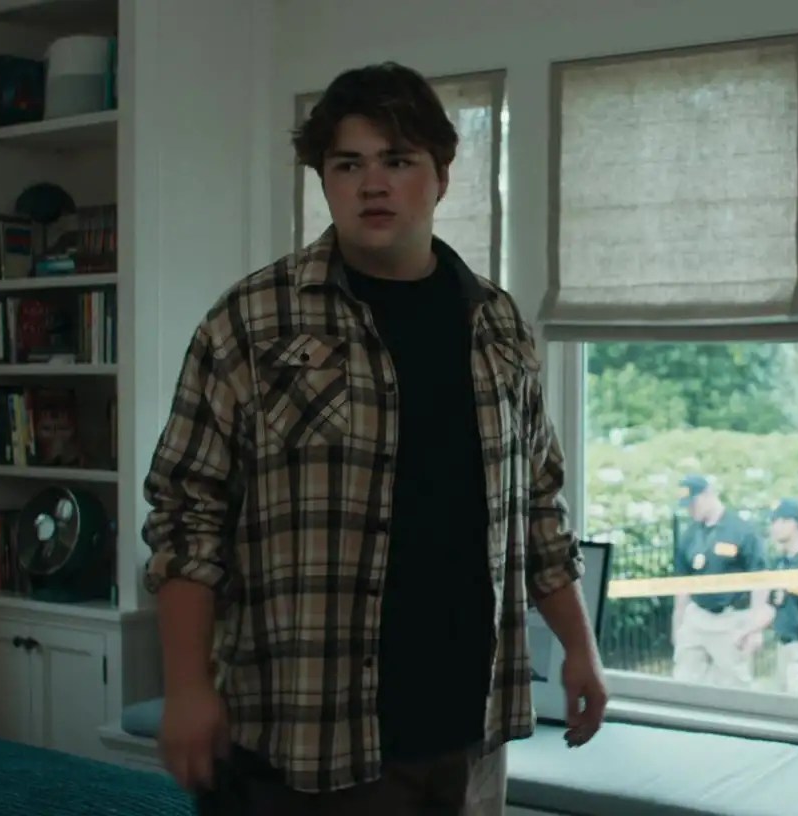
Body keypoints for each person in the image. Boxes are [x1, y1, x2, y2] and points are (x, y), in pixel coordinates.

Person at [142, 61, 606, 816]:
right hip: (307, 734)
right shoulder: (251, 323)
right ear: (324, 181)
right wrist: (187, 687)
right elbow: (186, 517)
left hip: (467, 732)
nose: (373, 185)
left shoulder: (497, 326)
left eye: (397, 161)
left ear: (441, 176)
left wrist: (580, 647)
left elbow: (540, 508)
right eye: (348, 165)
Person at [670, 474, 770, 689]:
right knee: (684, 681)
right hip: (697, 617)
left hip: (731, 619)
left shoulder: (742, 531)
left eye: (693, 503)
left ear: (708, 494)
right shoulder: (690, 535)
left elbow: (760, 580)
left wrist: (754, 628)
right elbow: (682, 584)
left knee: (733, 686)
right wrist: (678, 626)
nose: (690, 510)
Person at [761, 498, 798, 696]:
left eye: (779, 521)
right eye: (772, 522)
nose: (774, 527)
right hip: (784, 644)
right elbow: (773, 605)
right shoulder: (780, 563)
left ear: (794, 523)